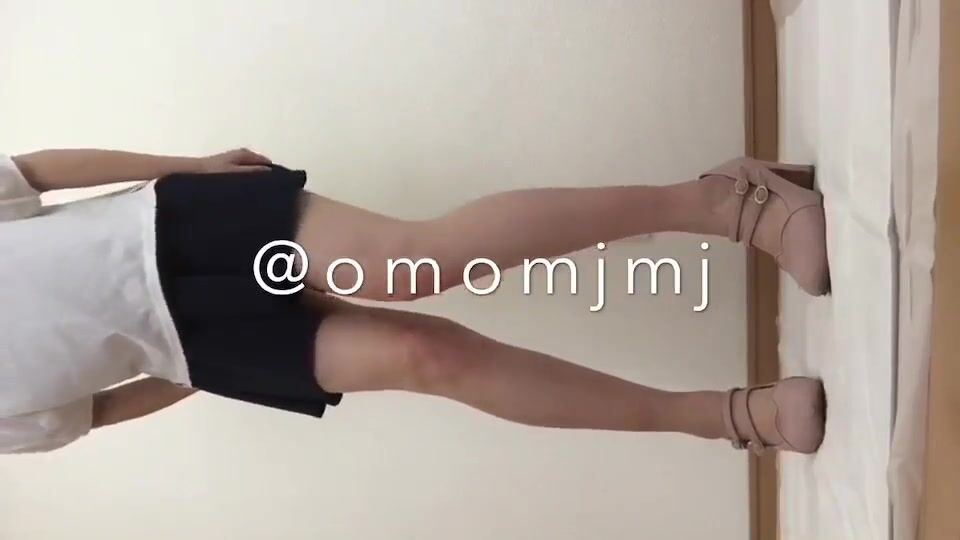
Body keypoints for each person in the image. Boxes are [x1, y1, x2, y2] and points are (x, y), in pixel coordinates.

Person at [0, 148, 827, 456]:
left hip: (171, 231)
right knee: (430, 360)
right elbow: (97, 411)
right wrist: (200, 369)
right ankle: (730, 416)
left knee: (413, 264)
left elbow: (30, 173)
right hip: (198, 348)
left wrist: (189, 167)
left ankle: (724, 201)